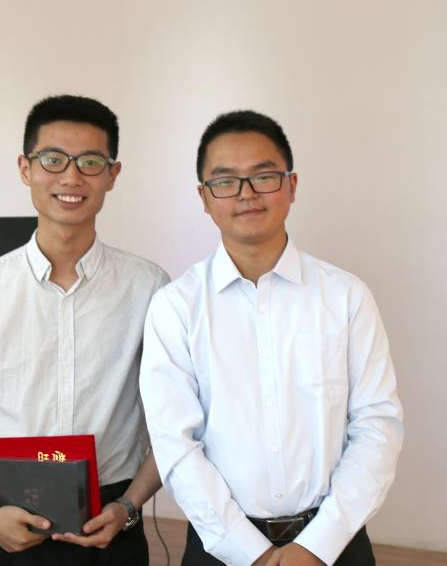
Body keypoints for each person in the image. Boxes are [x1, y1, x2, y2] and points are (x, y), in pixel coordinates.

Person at [140, 110, 403, 566]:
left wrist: (316, 546)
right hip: (220, 548)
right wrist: (252, 554)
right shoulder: (176, 307)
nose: (246, 194)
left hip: (334, 545)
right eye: (225, 181)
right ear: (204, 198)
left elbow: (377, 425)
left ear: (292, 185)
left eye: (263, 176)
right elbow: (175, 443)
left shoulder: (346, 296)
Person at [0, 94, 169, 565]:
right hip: (8, 514)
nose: (71, 177)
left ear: (113, 174)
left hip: (111, 517)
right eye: (53, 159)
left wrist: (130, 506)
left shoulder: (149, 287)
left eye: (90, 162)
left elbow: (178, 419)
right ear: (25, 168)